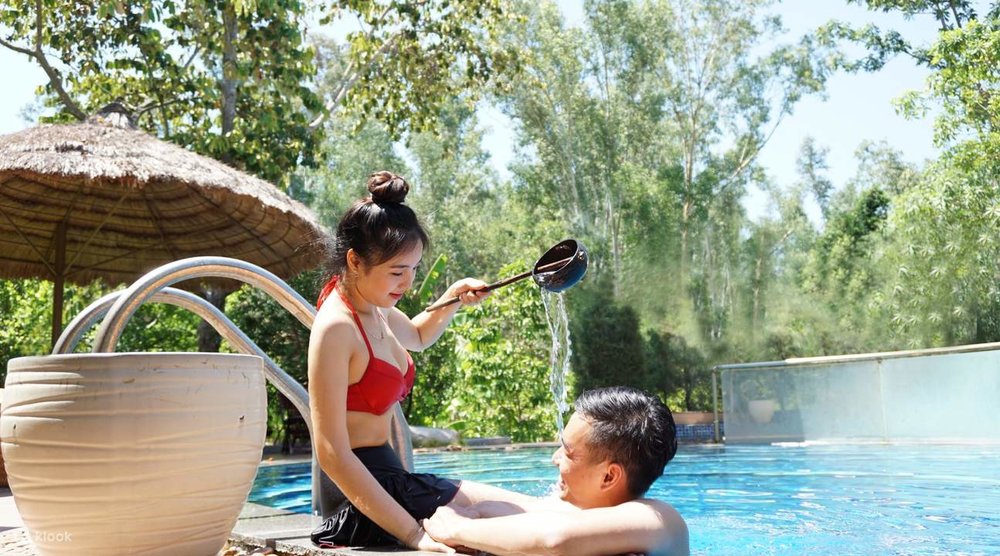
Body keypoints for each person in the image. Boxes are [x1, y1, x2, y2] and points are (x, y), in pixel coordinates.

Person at [308, 171, 529, 553]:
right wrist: (415, 535)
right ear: (354, 261)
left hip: (394, 483)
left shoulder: (372, 307)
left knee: (521, 511)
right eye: (396, 272)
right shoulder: (337, 328)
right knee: (520, 525)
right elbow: (332, 454)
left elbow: (419, 335)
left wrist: (455, 296)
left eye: (413, 269)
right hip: (361, 501)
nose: (407, 283)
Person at [423, 386, 690, 556]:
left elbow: (555, 539)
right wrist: (476, 512)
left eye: (568, 452)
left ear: (609, 476)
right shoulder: (588, 513)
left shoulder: (660, 519)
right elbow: (532, 513)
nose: (555, 458)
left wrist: (458, 528)